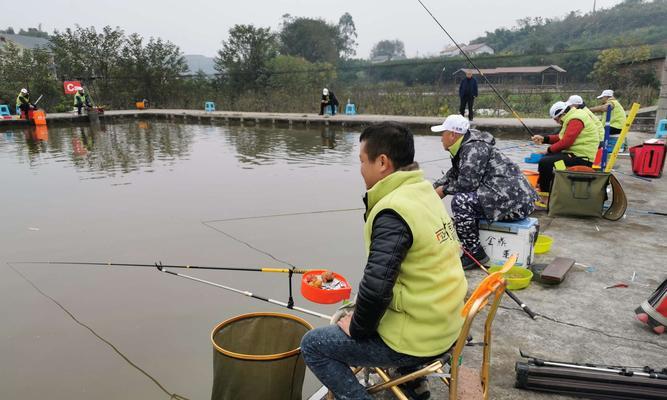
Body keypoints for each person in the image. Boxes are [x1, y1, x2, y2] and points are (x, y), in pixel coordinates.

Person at [301, 122, 467, 400]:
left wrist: (356, 327)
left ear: (382, 162)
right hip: (447, 325)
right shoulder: (424, 191)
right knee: (357, 309)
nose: (360, 169)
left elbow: (376, 290)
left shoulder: (393, 211)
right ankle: (412, 383)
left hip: (419, 339)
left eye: (362, 161)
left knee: (314, 345)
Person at [432, 115, 537, 269]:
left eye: (443, 134)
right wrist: (429, 190)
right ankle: (471, 244)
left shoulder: (473, 149)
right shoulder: (467, 145)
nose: (441, 138)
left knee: (461, 202)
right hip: (511, 201)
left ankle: (476, 253)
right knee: (463, 216)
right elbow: (453, 174)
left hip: (516, 207)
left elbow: (467, 184)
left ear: (453, 135)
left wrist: (444, 190)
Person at [531, 101, 600, 191]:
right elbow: (562, 137)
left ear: (562, 114)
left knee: (545, 162)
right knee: (549, 158)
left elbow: (566, 142)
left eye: (556, 119)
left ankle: (545, 192)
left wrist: (548, 150)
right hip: (575, 154)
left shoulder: (576, 120)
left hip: (582, 158)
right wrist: (544, 139)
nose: (557, 122)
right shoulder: (572, 117)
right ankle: (556, 184)